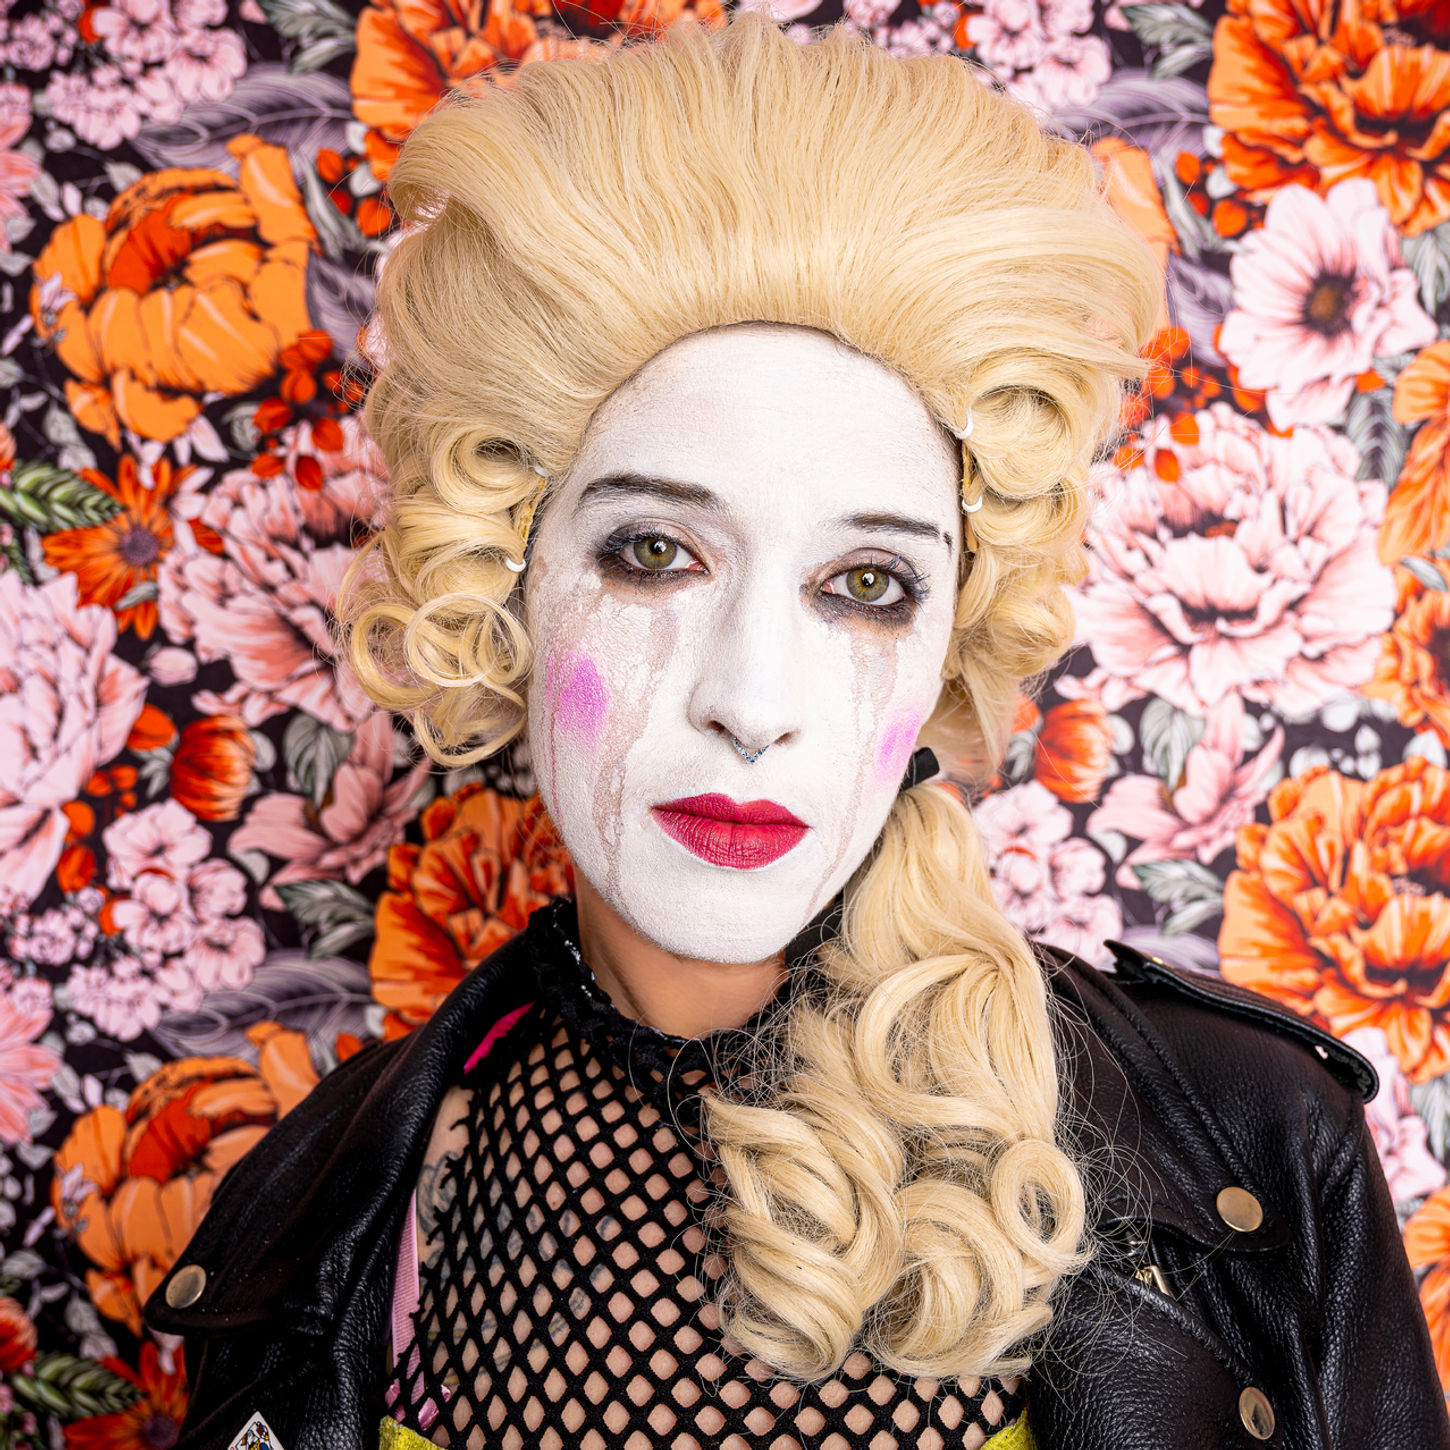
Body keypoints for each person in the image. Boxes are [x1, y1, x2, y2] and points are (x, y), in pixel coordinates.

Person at [146, 15, 1450, 1450]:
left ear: (950, 635)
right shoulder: (311, 1228)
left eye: (867, 584)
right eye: (653, 554)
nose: (753, 702)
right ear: (504, 584)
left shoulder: (1254, 1146)